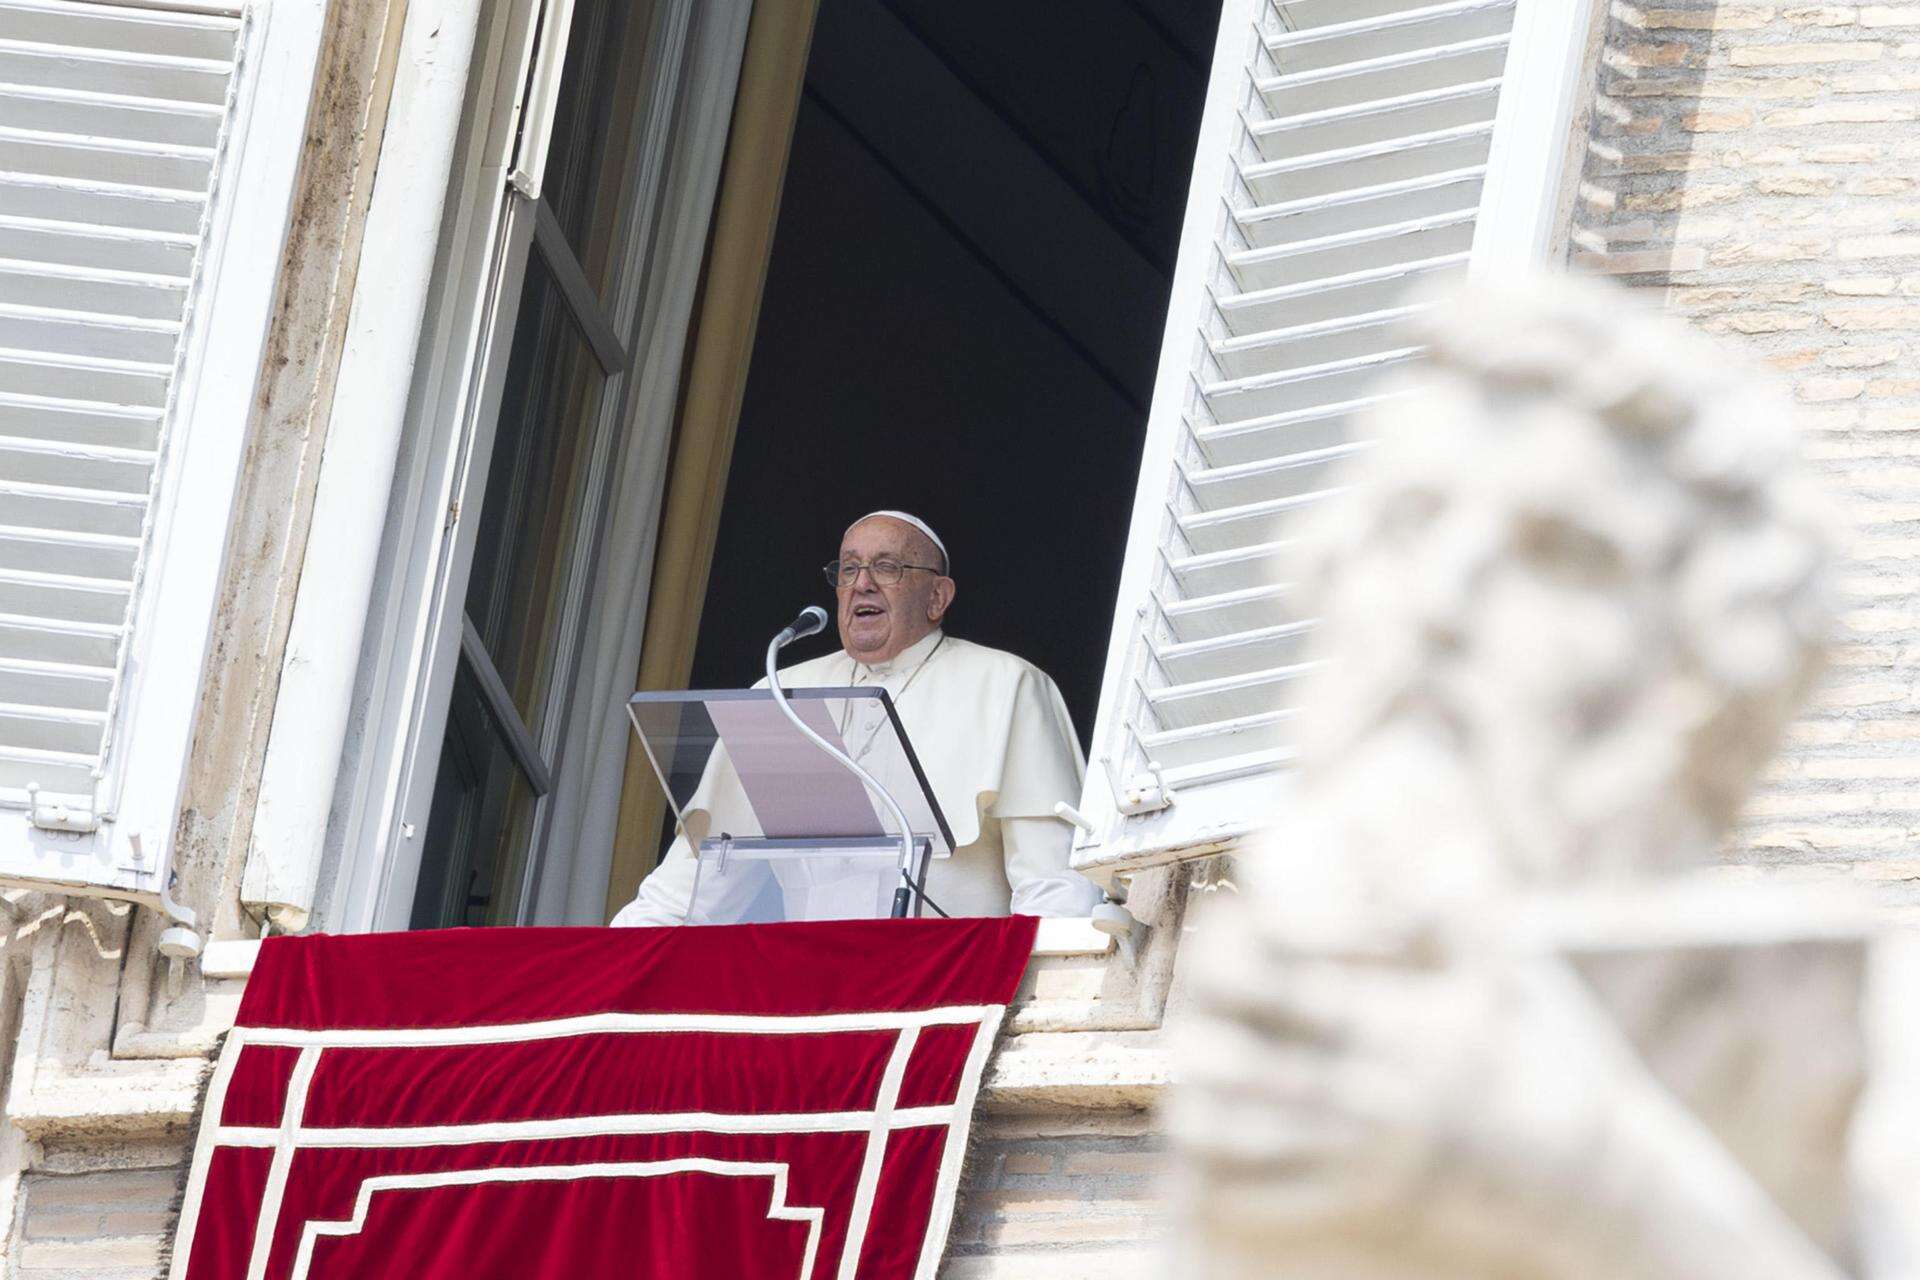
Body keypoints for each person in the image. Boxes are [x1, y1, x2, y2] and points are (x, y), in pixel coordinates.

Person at [613, 511, 1101, 925]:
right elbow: (695, 886)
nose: (861, 583)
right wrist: (606, 958)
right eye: (848, 570)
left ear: (938, 597)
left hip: (948, 988)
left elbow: (1053, 883)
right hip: (810, 987)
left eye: (887, 567)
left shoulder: (1006, 684)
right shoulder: (781, 694)